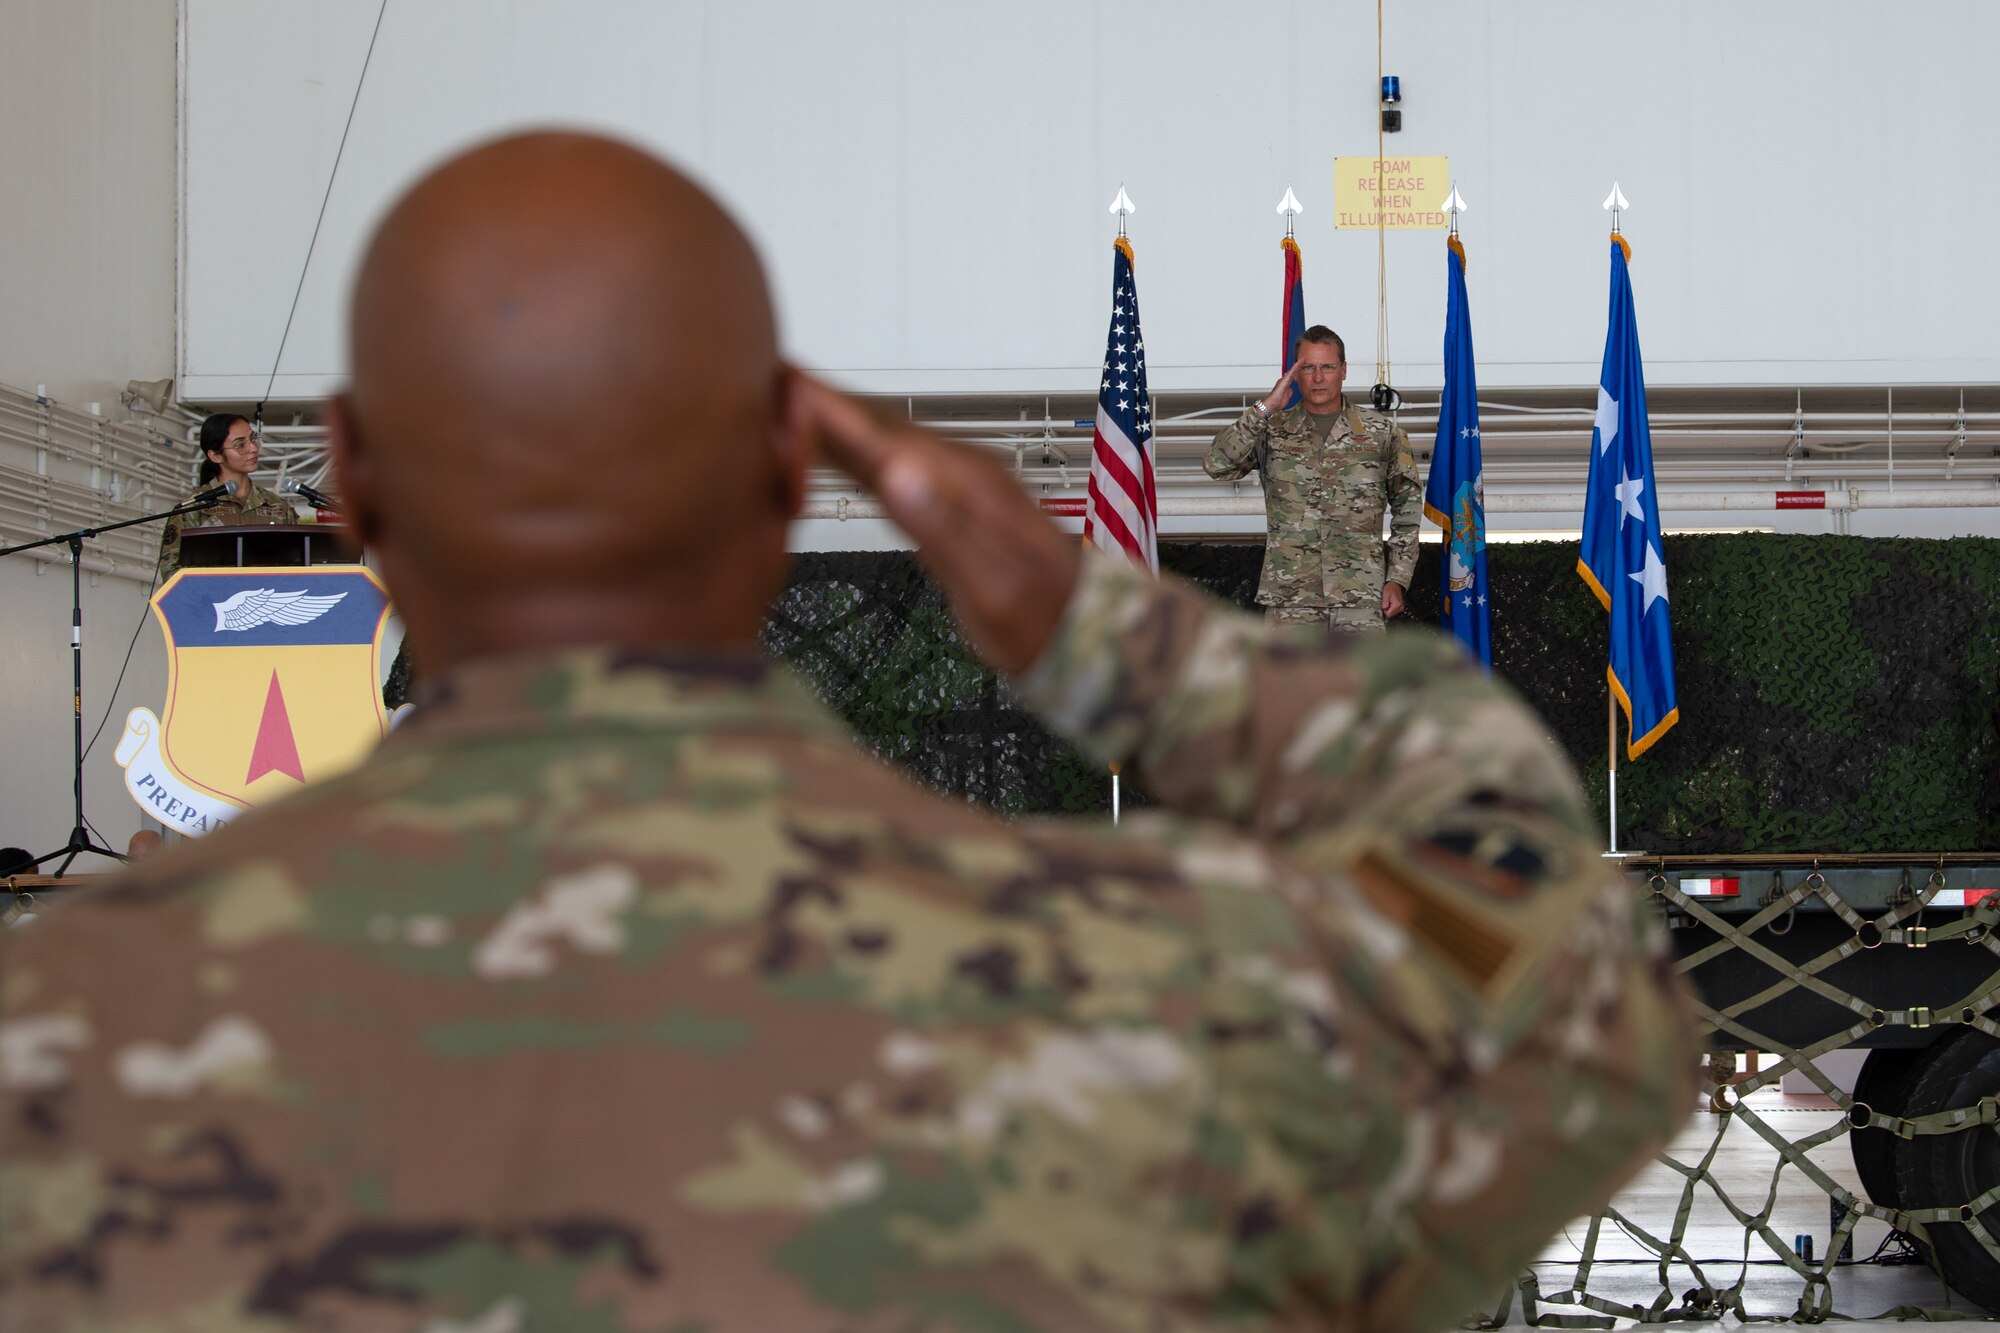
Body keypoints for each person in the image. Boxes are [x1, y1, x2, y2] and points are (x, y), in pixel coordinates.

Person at [0, 133, 1695, 1332]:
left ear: (351, 481)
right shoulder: (1132, 992)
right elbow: (1588, 1014)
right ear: (779, 479)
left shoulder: (57, 1035)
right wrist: (1100, 629)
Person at [1204, 326, 1423, 632]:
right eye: (1307, 368)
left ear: (1343, 371)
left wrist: (1397, 578)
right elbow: (1217, 464)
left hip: (1359, 599)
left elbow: (1408, 510)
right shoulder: (1271, 430)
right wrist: (1265, 408)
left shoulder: (1382, 433)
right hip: (1290, 602)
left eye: (1327, 367)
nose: (1318, 378)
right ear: (1295, 373)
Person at [155, 411, 299, 580]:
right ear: (216, 456)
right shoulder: (194, 508)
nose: (253, 448)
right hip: (214, 603)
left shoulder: (278, 507)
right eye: (240, 445)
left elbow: (297, 568)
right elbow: (171, 570)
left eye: (253, 439)